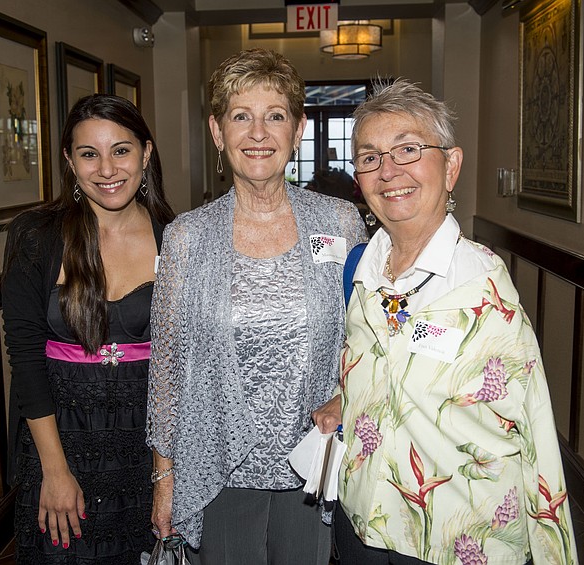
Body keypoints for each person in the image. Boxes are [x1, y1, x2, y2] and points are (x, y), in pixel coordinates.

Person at [335, 79, 578, 565]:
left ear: (451, 166)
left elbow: (535, 431)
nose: (389, 171)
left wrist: (553, 552)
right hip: (364, 522)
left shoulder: (483, 289)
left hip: (454, 538)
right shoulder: (363, 273)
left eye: (408, 149)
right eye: (370, 157)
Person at [146, 48, 367, 565]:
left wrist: (345, 396)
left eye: (275, 116)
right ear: (218, 133)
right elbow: (167, 368)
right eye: (241, 116)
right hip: (218, 466)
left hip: (313, 464)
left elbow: (366, 338)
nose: (259, 133)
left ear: (298, 129)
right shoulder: (187, 238)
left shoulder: (340, 223)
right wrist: (164, 477)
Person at [2, 93, 175, 564]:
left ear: (146, 152)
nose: (107, 169)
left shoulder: (178, 237)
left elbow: (187, 366)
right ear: (68, 160)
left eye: (121, 150)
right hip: (60, 441)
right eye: (88, 153)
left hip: (147, 450)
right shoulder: (36, 236)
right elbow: (26, 358)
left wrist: (170, 472)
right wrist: (53, 470)